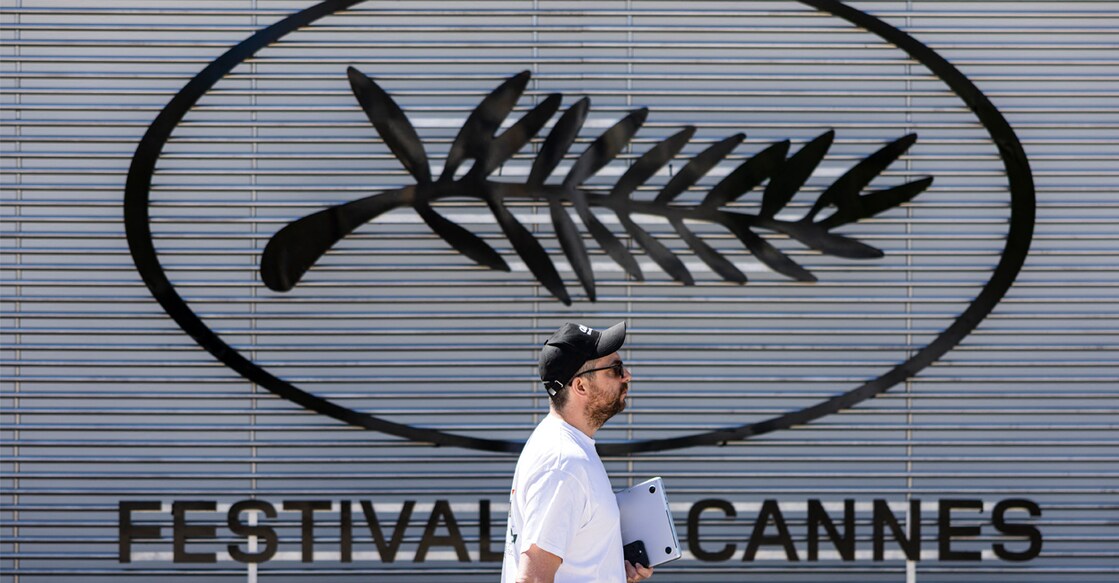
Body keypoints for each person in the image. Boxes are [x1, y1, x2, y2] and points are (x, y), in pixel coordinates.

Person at [501, 321, 655, 583]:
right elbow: (533, 579)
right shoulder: (563, 462)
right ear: (581, 386)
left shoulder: (567, 448)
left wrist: (612, 569)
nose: (627, 375)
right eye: (615, 369)